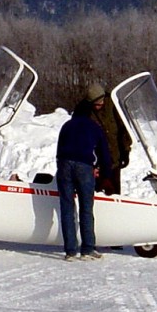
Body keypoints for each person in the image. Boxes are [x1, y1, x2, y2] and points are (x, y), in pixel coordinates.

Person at [56, 97, 114, 261]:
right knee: (86, 208)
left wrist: (61, 166)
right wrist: (106, 176)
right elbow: (104, 154)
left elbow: (59, 149)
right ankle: (87, 248)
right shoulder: (94, 127)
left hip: (64, 164)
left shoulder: (66, 126)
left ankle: (70, 251)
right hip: (84, 166)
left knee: (67, 207)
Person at [84, 81, 131, 195]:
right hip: (99, 160)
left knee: (114, 190)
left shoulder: (114, 105)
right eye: (95, 104)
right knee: (98, 191)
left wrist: (126, 151)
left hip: (115, 156)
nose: (97, 106)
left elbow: (124, 129)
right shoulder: (88, 112)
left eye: (100, 103)